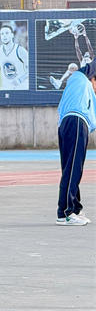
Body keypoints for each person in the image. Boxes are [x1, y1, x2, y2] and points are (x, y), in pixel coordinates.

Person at [55, 60, 95, 225]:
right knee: (73, 168)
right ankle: (66, 212)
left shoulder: (84, 90)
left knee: (72, 169)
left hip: (69, 124)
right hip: (76, 122)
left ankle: (75, 208)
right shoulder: (80, 78)